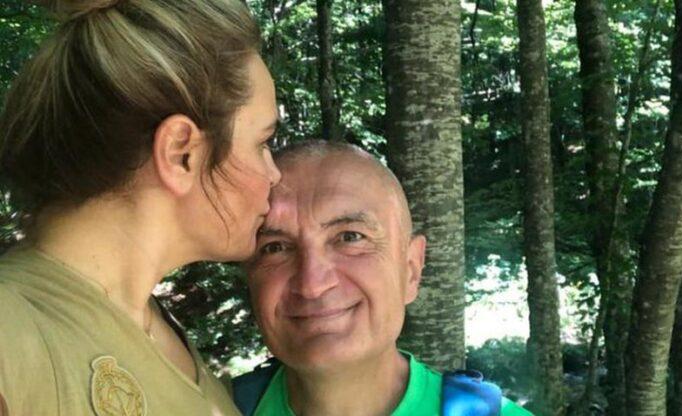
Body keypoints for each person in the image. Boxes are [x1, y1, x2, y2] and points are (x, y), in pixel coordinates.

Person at [0, 1, 280, 415]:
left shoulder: (154, 326)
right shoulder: (12, 339)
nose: (274, 174)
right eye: (262, 143)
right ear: (180, 153)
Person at [240, 141, 533, 415]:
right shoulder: (220, 407)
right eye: (275, 248)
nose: (312, 285)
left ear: (411, 269)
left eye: (350, 237)